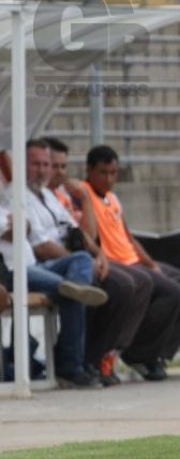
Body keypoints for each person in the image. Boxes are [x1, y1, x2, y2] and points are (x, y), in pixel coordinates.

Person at [83, 144, 180, 382]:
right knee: (170, 291)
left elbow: (127, 235)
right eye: (103, 173)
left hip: (133, 259)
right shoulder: (83, 192)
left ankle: (157, 352)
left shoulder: (113, 199)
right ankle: (136, 353)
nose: (109, 179)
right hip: (116, 262)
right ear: (89, 171)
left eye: (113, 173)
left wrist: (150, 262)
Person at [45, 137, 150, 386]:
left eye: (62, 167)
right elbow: (43, 245)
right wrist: (87, 256)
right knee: (112, 285)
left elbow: (84, 235)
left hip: (79, 259)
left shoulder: (60, 196)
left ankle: (104, 356)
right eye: (52, 166)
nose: (58, 173)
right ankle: (83, 360)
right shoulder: (38, 196)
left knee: (140, 282)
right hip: (56, 264)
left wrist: (97, 254)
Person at [22, 139, 110, 388]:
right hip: (34, 266)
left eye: (45, 164)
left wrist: (98, 255)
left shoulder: (49, 196)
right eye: (35, 164)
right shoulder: (19, 197)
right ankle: (71, 366)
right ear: (22, 165)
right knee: (75, 289)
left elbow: (77, 232)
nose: (42, 170)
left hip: (59, 264)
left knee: (82, 266)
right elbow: (42, 247)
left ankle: (73, 364)